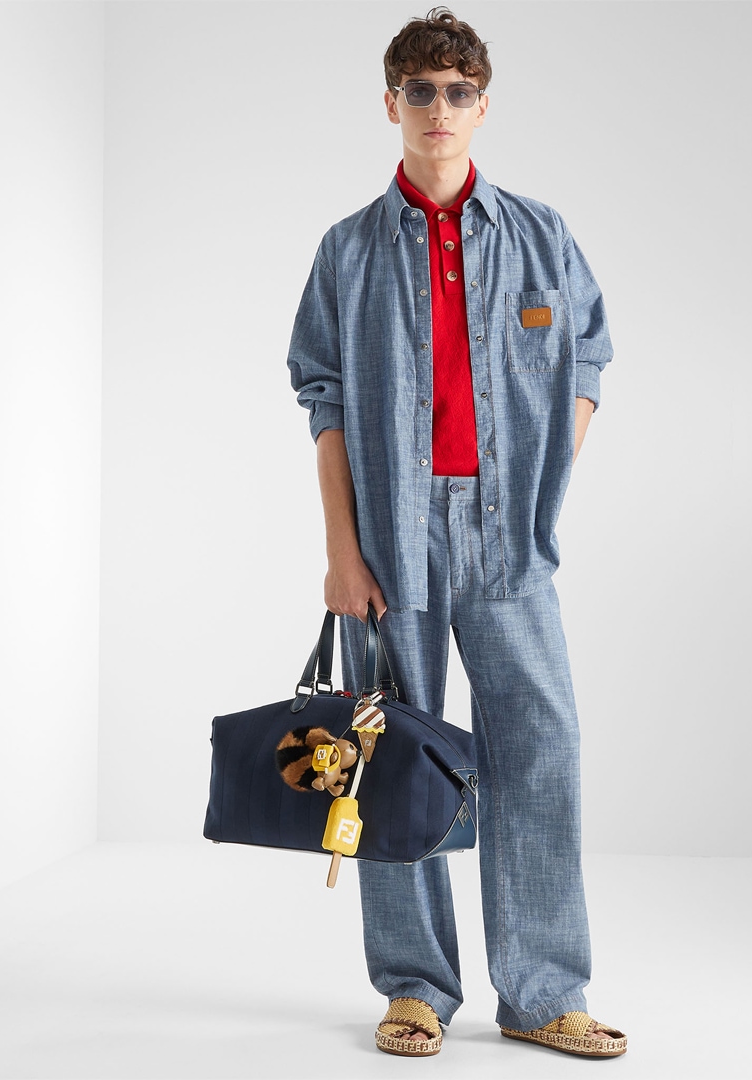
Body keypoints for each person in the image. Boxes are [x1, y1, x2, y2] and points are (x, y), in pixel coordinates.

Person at [283, 6, 627, 1061]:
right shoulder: (348, 250)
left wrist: (540, 494)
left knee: (541, 747)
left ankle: (542, 991)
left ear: (483, 105)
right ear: (391, 103)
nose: (440, 108)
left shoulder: (540, 236)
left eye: (459, 91)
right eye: (421, 91)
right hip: (390, 539)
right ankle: (415, 985)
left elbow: (586, 360)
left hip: (507, 535)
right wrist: (343, 552)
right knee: (394, 755)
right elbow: (324, 400)